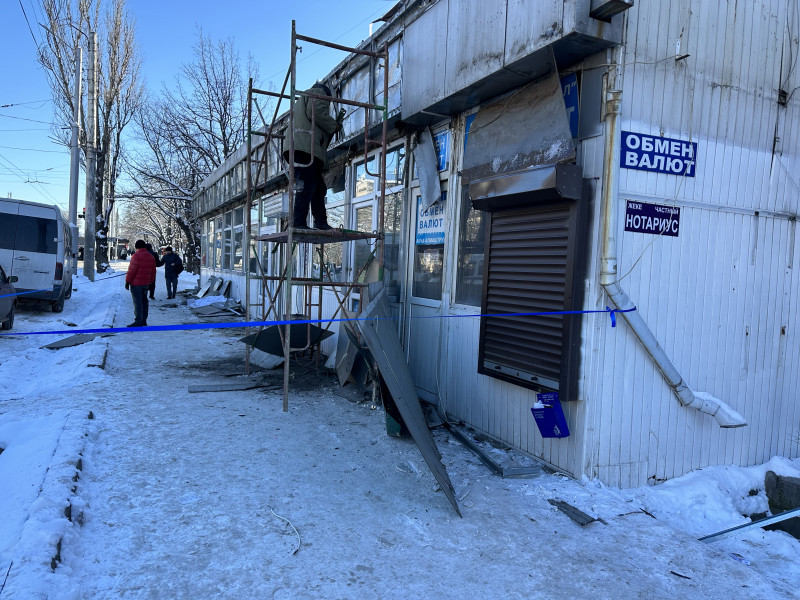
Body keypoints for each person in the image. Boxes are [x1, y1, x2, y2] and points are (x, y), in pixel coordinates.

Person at [283, 82, 345, 230]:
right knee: (309, 185)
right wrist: (333, 125)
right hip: (304, 148)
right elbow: (315, 112)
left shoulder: (303, 99)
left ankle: (320, 222)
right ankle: (298, 222)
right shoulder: (318, 93)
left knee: (318, 188)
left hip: (301, 147)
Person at [125, 239, 156, 327]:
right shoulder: (151, 256)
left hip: (136, 283)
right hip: (146, 283)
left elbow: (132, 270)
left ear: (136, 246)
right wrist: (151, 281)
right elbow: (153, 271)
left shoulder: (136, 256)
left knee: (137, 302)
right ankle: (144, 320)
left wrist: (127, 281)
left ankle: (138, 320)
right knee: (144, 301)